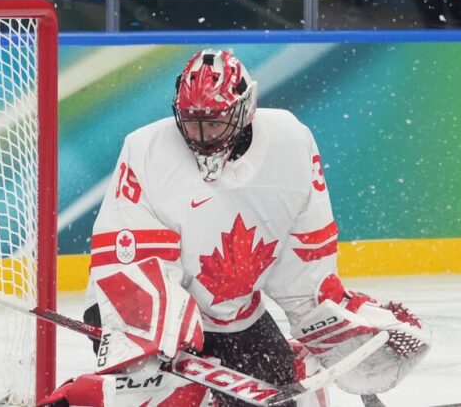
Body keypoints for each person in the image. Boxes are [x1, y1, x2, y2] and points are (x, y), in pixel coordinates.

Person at [71, 48, 430, 406]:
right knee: (177, 398)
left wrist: (350, 329)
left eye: (213, 122)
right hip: (140, 314)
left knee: (290, 399)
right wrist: (150, 331)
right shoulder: (146, 149)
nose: (200, 135)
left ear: (244, 110)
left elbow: (304, 272)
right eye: (191, 122)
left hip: (235, 316)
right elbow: (129, 261)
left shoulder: (292, 142)